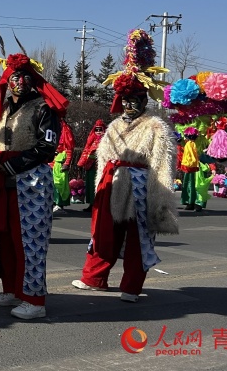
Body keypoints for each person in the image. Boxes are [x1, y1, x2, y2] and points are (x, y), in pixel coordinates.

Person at [71, 29, 178, 302]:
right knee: (104, 235)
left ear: (144, 101)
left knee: (138, 239)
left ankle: (131, 286)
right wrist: (98, 191)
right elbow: (103, 159)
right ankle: (94, 278)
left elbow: (163, 166)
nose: (129, 105)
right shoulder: (114, 126)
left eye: (135, 100)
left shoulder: (156, 127)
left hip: (141, 187)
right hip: (112, 183)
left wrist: (161, 200)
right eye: (126, 100)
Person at [0, 39, 68, 320]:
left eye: (23, 77)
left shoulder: (43, 109)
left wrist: (13, 165)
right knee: (4, 238)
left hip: (31, 183)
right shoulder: (3, 110)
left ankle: (34, 299)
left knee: (30, 241)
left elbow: (46, 147)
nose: (18, 82)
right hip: (4, 181)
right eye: (13, 77)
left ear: (32, 80)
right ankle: (12, 288)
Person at [76, 120, 106, 212]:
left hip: (100, 166)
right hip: (90, 166)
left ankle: (99, 204)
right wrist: (80, 163)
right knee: (90, 185)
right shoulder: (91, 140)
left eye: (100, 129)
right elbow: (86, 151)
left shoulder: (106, 141)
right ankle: (91, 203)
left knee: (99, 185)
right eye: (96, 129)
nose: (98, 131)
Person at [51, 119, 75, 213]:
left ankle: (60, 204)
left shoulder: (66, 132)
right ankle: (55, 203)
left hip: (61, 164)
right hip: (54, 163)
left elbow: (69, 149)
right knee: (54, 185)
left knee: (61, 185)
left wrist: (66, 163)